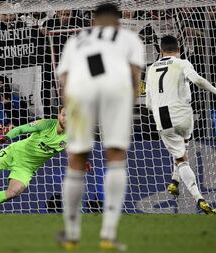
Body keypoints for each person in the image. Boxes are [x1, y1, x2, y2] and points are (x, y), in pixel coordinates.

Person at [56, 3, 144, 251]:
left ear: (94, 21)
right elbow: (134, 74)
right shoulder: (129, 38)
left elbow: (64, 76)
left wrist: (69, 106)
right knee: (116, 157)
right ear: (118, 21)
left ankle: (72, 234)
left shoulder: (78, 38)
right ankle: (108, 234)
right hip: (116, 89)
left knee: (77, 158)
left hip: (81, 90)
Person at [146, 35, 216, 214]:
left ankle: (198, 197)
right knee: (184, 143)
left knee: (181, 160)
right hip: (183, 115)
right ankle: (175, 181)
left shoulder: (151, 68)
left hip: (162, 118)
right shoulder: (182, 63)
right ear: (179, 50)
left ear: (161, 51)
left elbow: (147, 103)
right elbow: (197, 80)